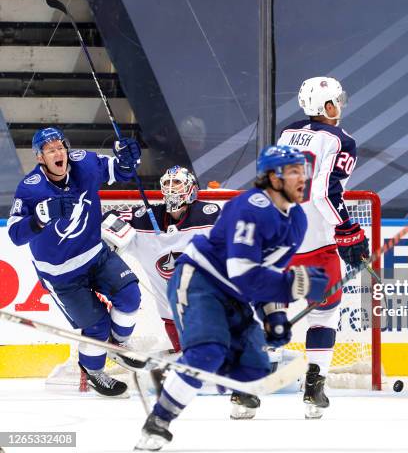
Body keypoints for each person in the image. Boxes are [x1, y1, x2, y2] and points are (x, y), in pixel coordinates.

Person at [135, 145, 329, 451]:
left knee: (254, 369)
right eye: (293, 171)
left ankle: (177, 372)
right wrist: (298, 284)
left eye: (302, 171)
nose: (302, 178)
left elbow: (268, 272)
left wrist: (275, 316)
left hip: (232, 296)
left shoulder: (297, 222)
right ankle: (158, 422)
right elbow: (245, 274)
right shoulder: (250, 207)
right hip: (200, 281)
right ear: (272, 178)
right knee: (208, 352)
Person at [8, 127, 144, 397]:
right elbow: (14, 234)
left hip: (96, 254)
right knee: (96, 327)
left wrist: (128, 158)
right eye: (50, 150)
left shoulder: (85, 163)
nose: (58, 153)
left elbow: (121, 171)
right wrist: (39, 218)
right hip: (61, 275)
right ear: (39, 158)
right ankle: (94, 372)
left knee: (130, 297)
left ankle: (118, 346)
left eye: (60, 147)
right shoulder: (30, 188)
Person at [275, 76, 369, 418]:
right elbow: (326, 192)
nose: (339, 106)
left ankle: (244, 391)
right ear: (323, 106)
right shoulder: (342, 140)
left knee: (268, 311)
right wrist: (348, 231)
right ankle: (314, 386)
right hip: (317, 243)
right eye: (334, 102)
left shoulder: (287, 133)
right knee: (325, 312)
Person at [102, 165, 221, 352]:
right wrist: (115, 233)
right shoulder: (146, 218)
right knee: (188, 356)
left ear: (191, 188)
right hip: (169, 309)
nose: (172, 187)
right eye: (167, 182)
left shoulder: (208, 215)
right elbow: (110, 217)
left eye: (177, 183)